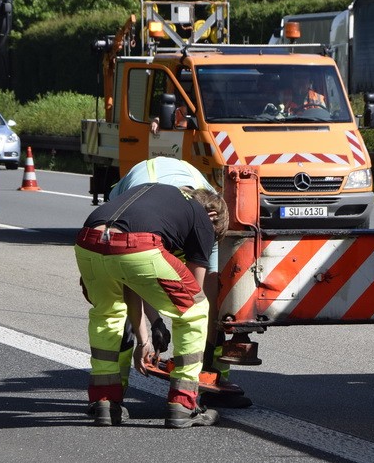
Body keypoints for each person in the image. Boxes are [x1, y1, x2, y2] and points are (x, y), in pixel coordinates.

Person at [75, 182, 229, 428]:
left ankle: (105, 401)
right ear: (213, 217)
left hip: (88, 241)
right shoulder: (202, 219)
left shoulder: (157, 198)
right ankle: (183, 404)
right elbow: (189, 298)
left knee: (108, 314)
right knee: (195, 310)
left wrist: (144, 339)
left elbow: (131, 285)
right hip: (140, 245)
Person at [107, 157, 250, 408]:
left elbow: (202, 294)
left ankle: (213, 378)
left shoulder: (209, 221)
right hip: (131, 221)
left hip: (174, 206)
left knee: (209, 305)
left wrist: (202, 346)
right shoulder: (152, 213)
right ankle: (114, 390)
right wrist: (154, 326)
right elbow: (136, 282)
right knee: (121, 308)